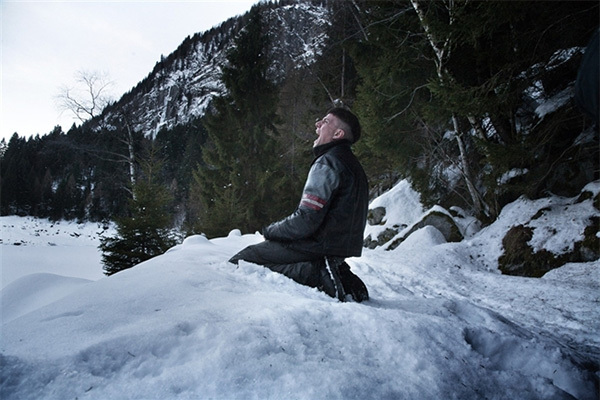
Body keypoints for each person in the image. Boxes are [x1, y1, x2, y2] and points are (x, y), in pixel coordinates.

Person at [229, 107, 369, 302]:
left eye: (326, 121)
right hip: (336, 245)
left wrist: (270, 231)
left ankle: (315, 273)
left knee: (242, 259)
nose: (317, 124)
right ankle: (334, 271)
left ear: (338, 134)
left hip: (318, 244)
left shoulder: (328, 163)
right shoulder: (352, 165)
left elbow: (306, 219)